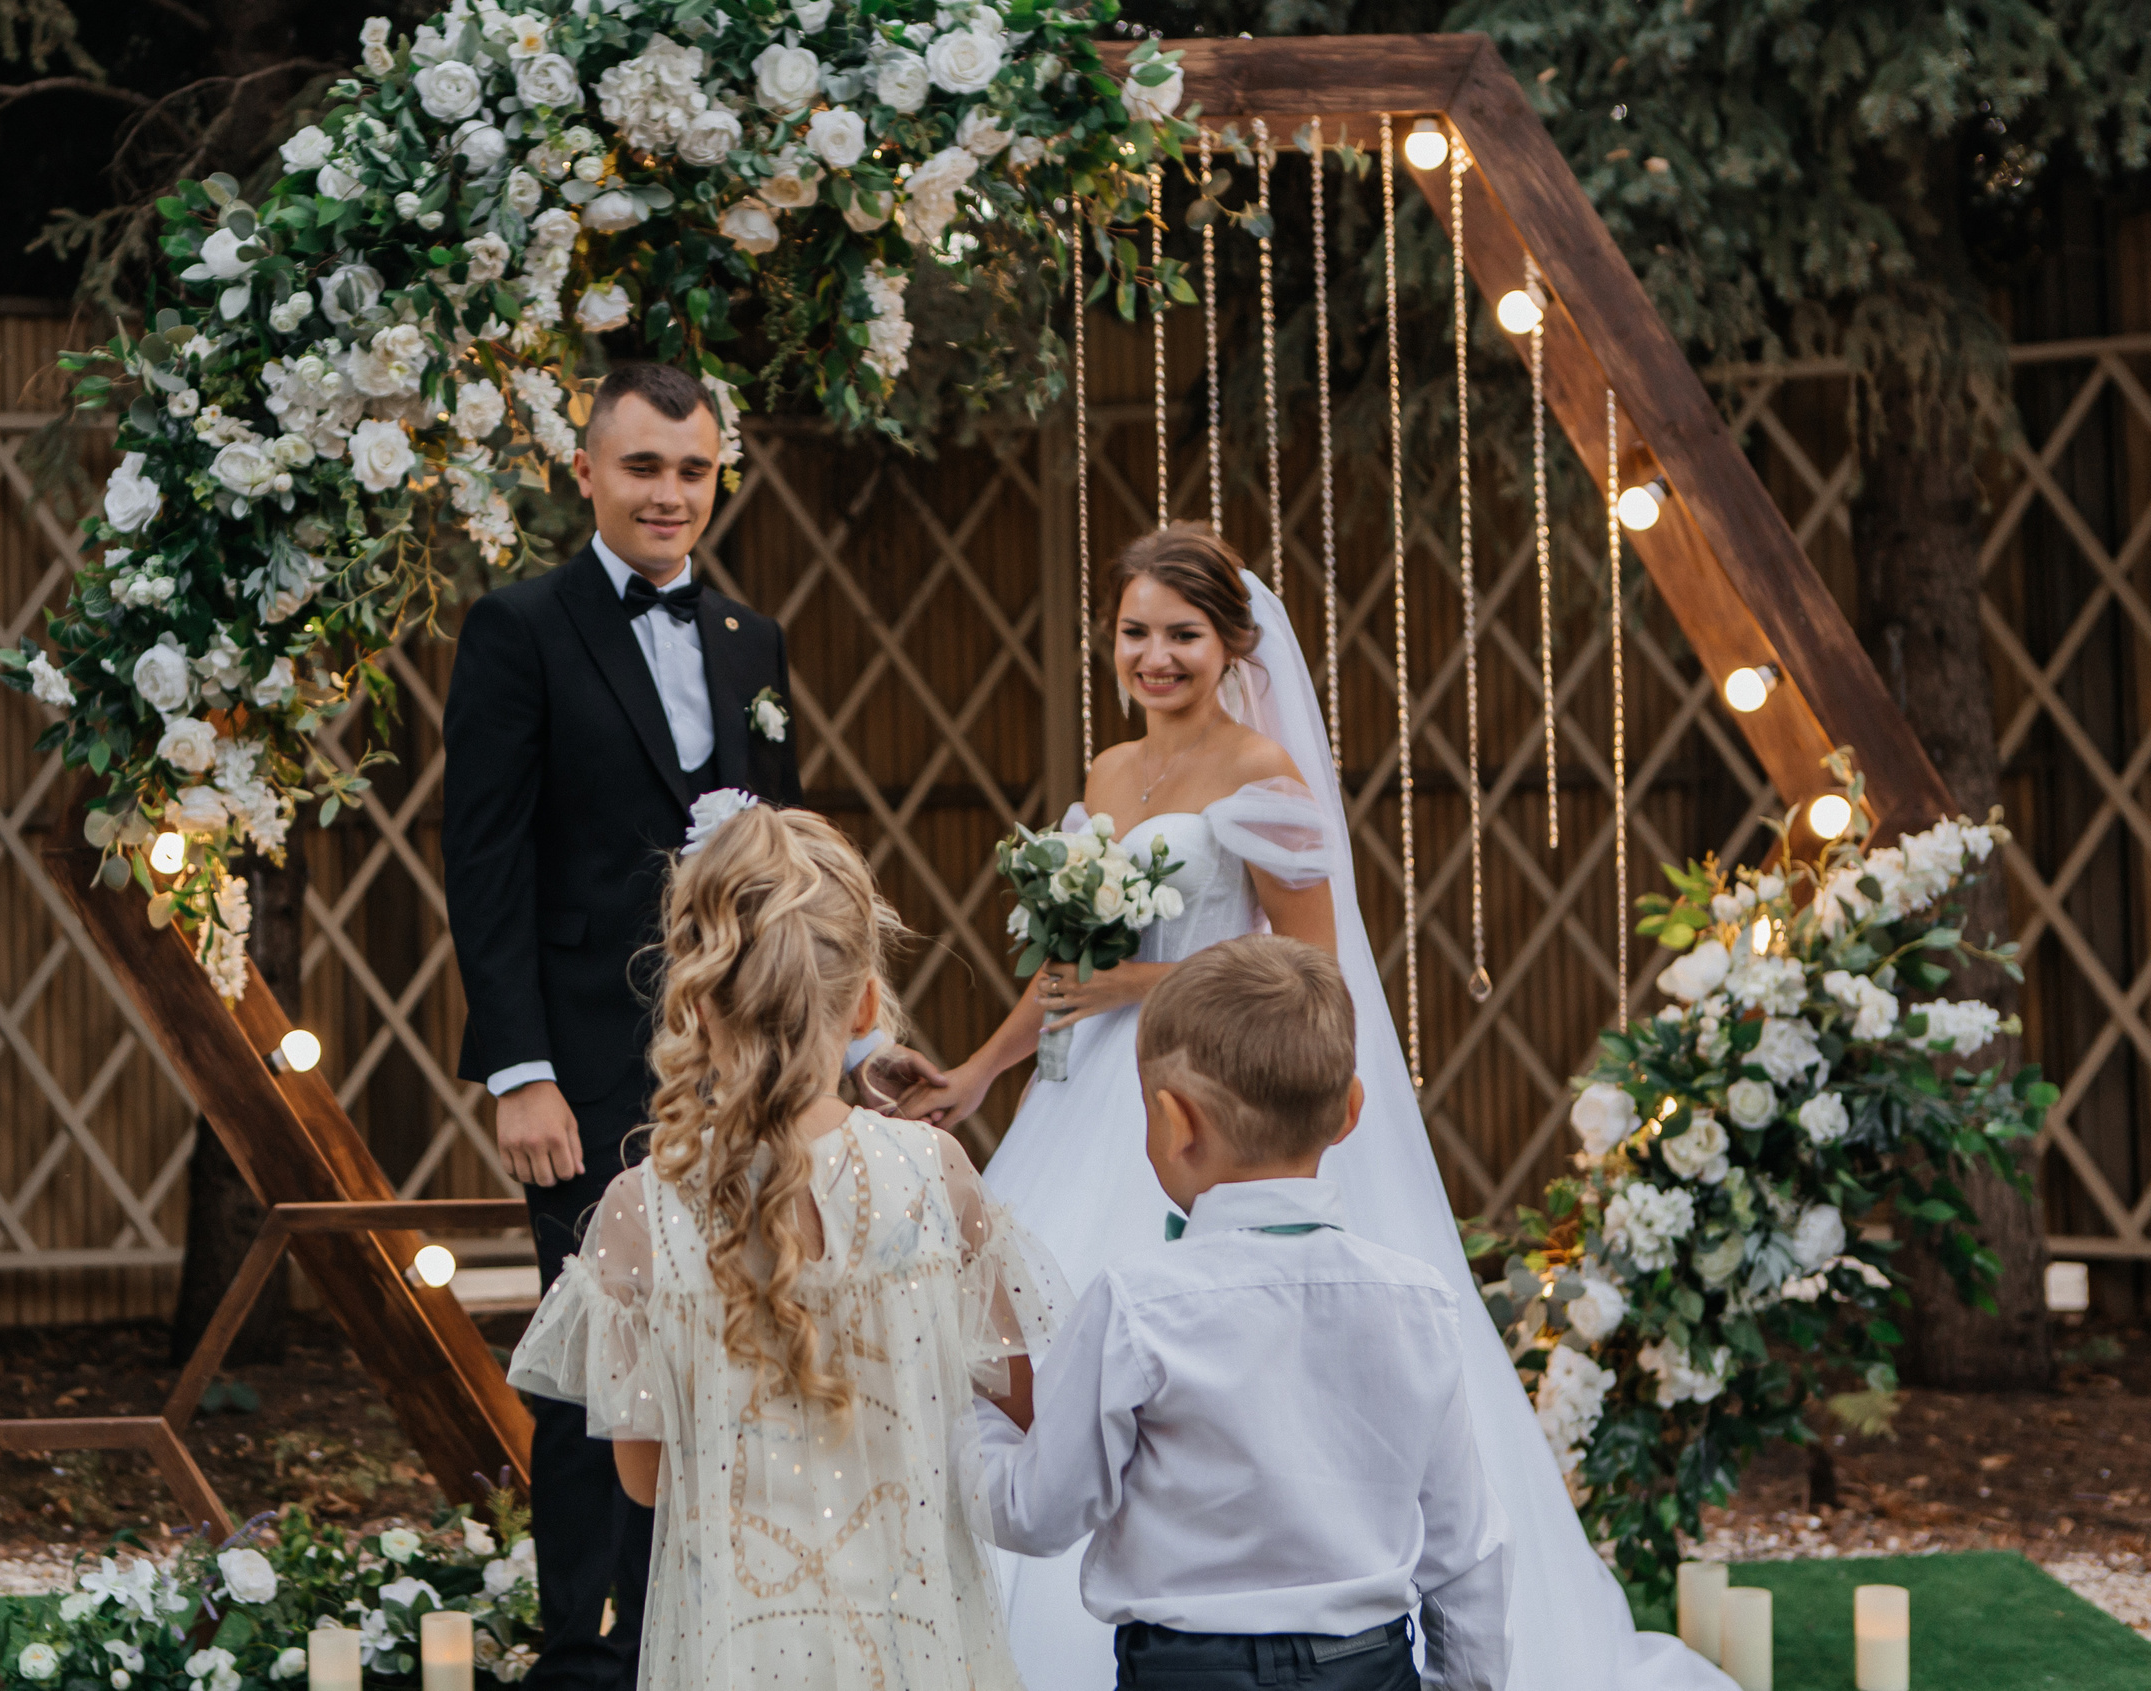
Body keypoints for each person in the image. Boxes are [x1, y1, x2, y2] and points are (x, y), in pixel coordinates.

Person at [902, 525, 1730, 1691]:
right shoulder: (1104, 776)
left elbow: (1312, 972)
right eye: (1136, 632)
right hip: (1092, 1091)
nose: (1155, 656)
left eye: (1181, 635)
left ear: (1230, 643)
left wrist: (1146, 986)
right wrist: (980, 1072)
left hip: (1218, 1085)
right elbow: (1068, 970)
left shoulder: (1263, 778)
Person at [441, 360, 939, 1691]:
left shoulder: (750, 641)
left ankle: (707, 1620)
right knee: (602, 1343)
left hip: (747, 1062)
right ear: (588, 471)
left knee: (732, 1337)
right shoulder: (519, 627)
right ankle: (585, 1647)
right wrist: (521, 1068)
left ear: (722, 474)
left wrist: (836, 1044)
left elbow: (783, 869)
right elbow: (481, 859)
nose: (671, 491)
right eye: (644, 465)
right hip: (591, 1066)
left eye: (693, 468)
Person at [506, 802, 1066, 1690]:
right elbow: (1036, 1412)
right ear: (867, 1007)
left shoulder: (637, 1214)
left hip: (736, 1651)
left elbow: (647, 1482)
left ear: (695, 1002)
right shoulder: (935, 1178)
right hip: (914, 1643)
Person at [969, 936, 1508, 1691]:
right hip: (1370, 1668)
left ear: (1171, 1122)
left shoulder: (1137, 1304)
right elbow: (1467, 1551)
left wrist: (969, 1417)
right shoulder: (1417, 1301)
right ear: (1351, 1110)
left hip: (1188, 1674)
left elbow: (1037, 1511)